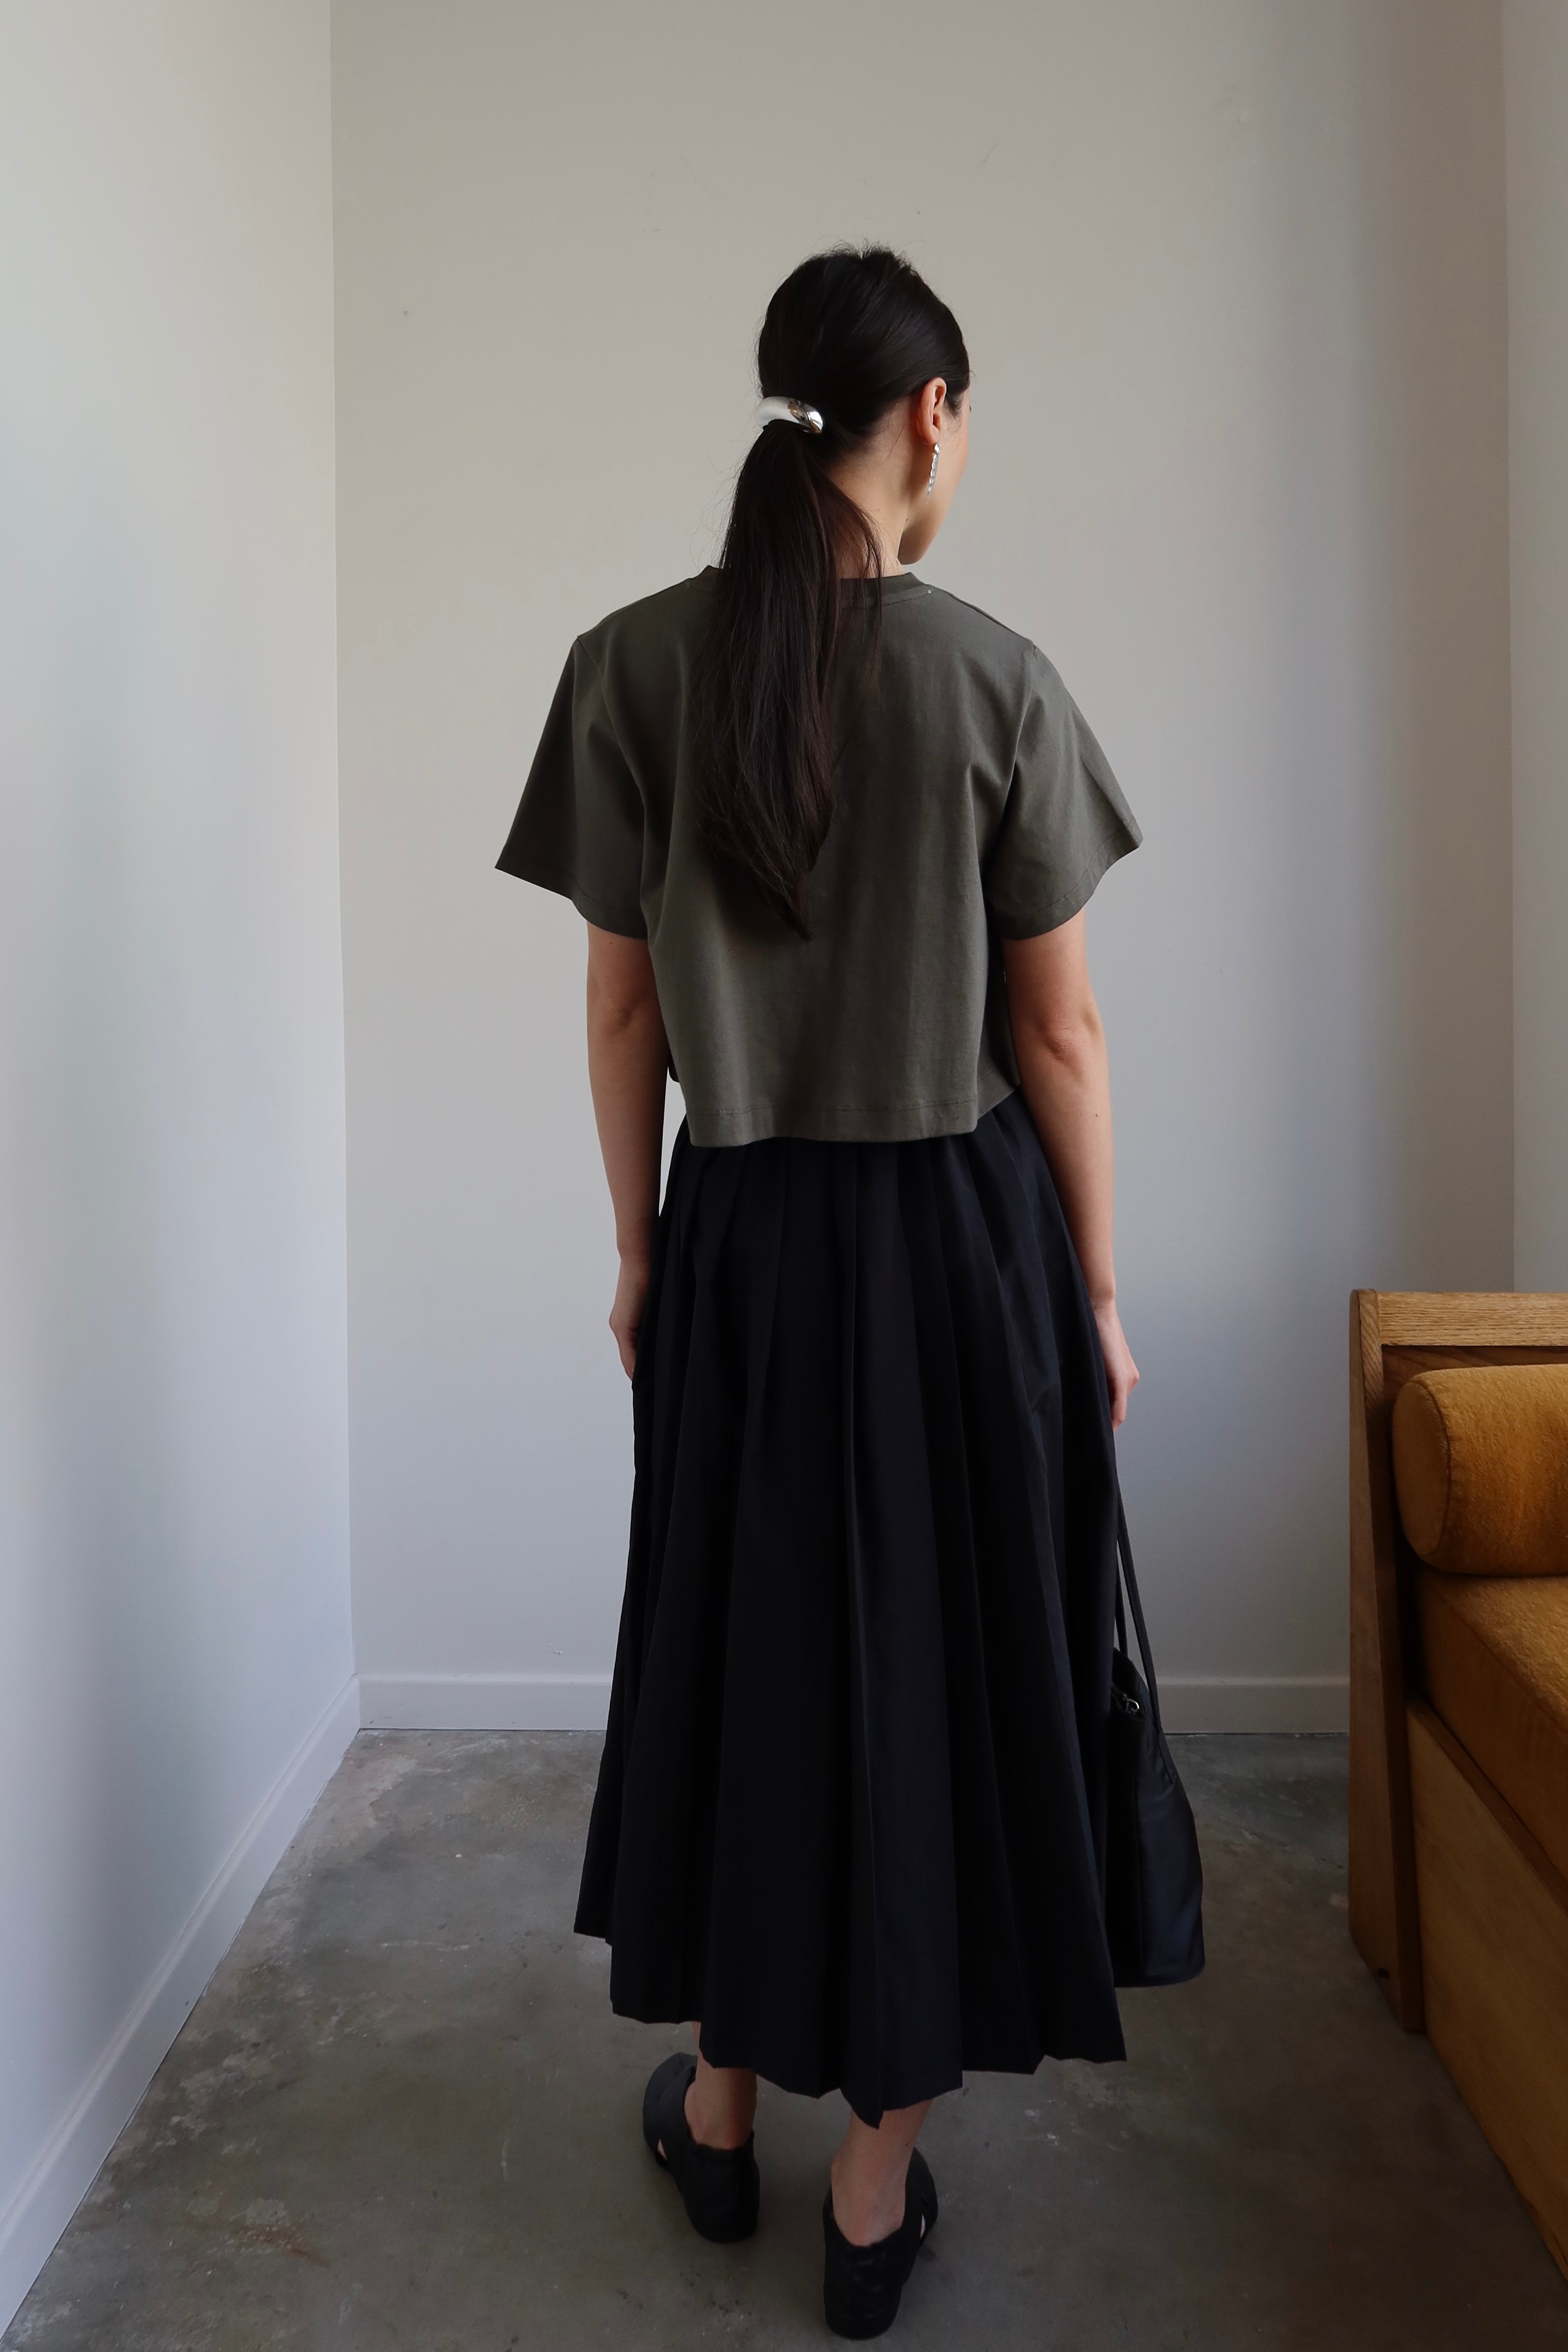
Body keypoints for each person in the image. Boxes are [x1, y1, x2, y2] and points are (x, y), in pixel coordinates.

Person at [498, 246, 1146, 2340]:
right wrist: (1101, 1294)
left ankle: (715, 2101)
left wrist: (635, 1250)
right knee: (936, 1685)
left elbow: (618, 1013)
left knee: (740, 1658)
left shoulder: (634, 661)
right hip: (959, 1253)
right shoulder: (992, 674)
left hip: (750, 1240)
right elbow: (1057, 1044)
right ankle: (872, 2193)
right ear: (929, 416)